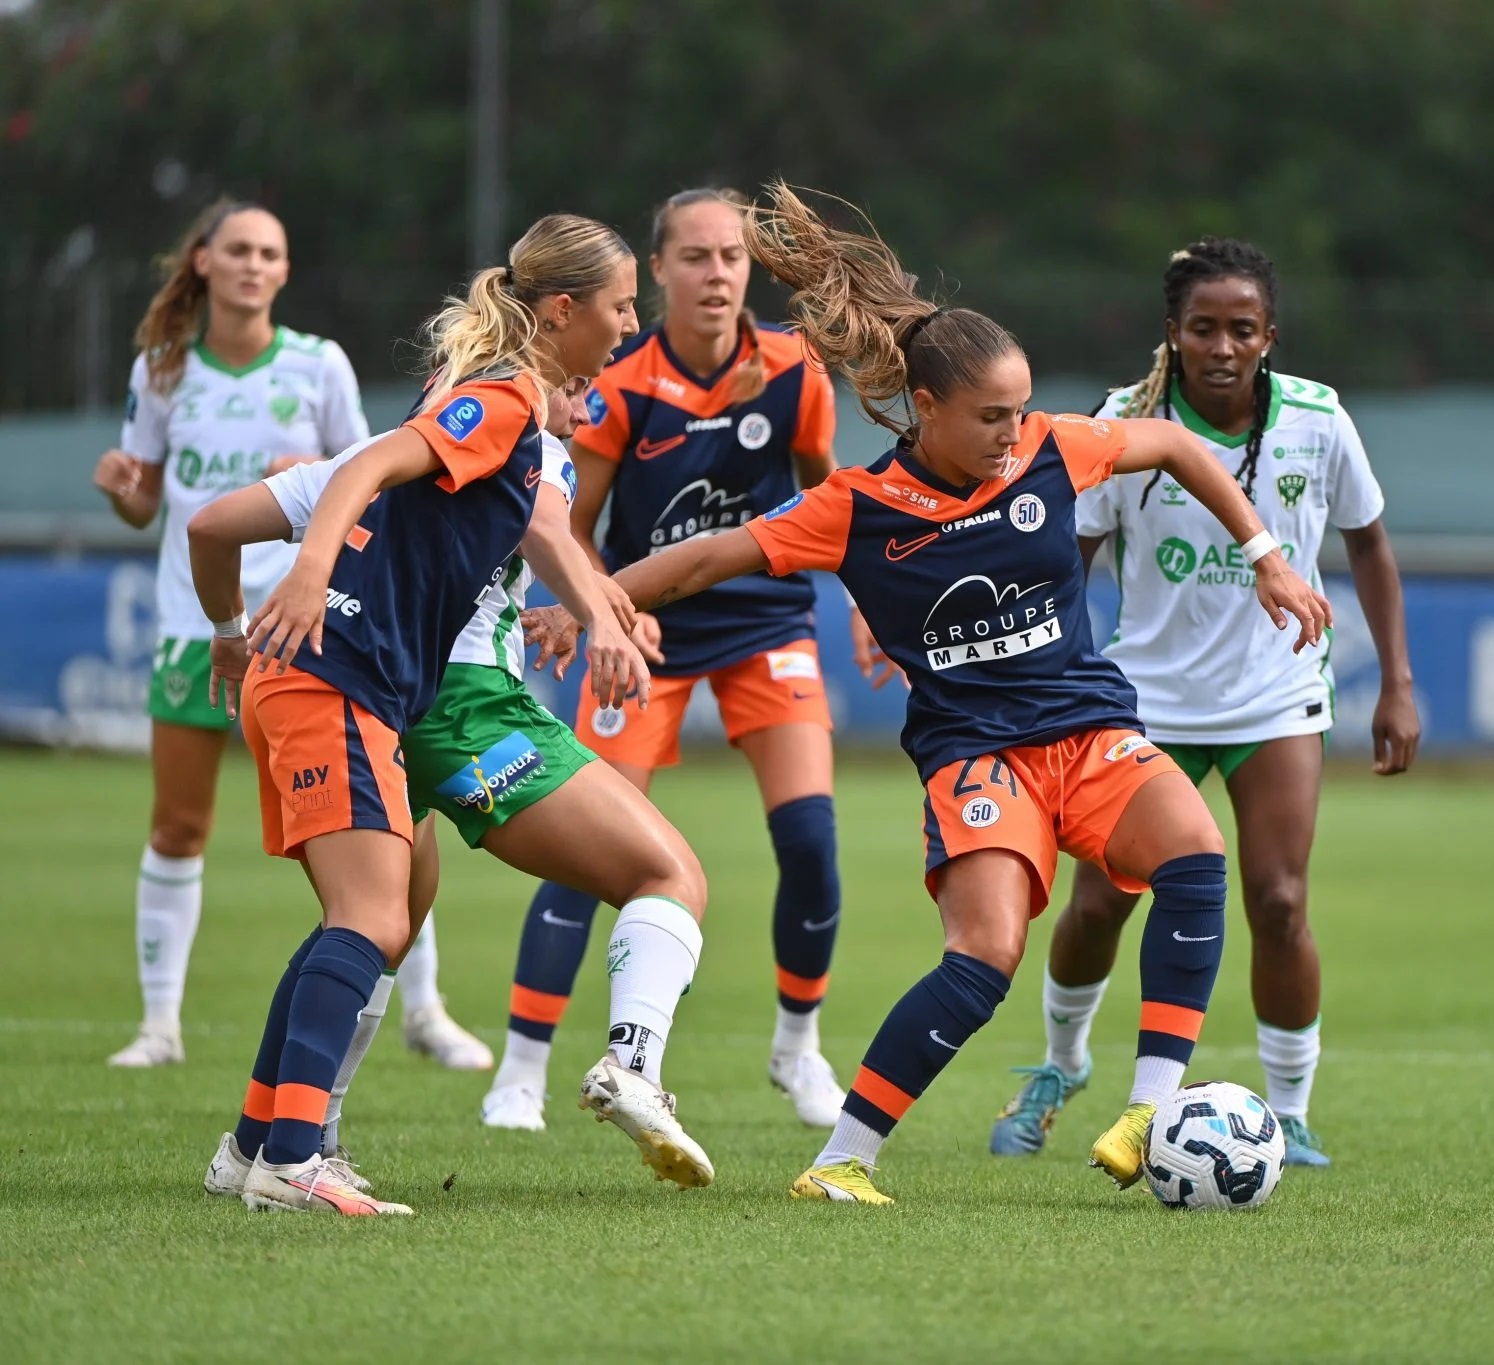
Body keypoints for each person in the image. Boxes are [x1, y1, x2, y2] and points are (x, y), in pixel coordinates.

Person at [585, 182, 1331, 1206]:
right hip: (976, 755)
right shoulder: (855, 507)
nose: (1011, 432)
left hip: (1086, 731)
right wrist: (591, 602)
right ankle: (842, 1161)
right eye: (990, 416)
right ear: (925, 408)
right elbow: (705, 558)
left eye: (1020, 411)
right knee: (983, 957)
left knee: (1196, 860)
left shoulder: (1049, 449)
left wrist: (1265, 555)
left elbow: (1172, 445)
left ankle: (1148, 1109)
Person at [188, 213, 713, 1215]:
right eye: (617, 308)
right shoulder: (506, 399)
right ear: (559, 313)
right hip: (345, 680)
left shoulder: (489, 416)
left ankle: (264, 1143)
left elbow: (225, 520)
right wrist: (303, 577)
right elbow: (371, 471)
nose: (627, 328)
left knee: (377, 918)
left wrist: (230, 628)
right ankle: (295, 1159)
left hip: (361, 689)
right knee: (379, 914)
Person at [988, 236, 1419, 1170]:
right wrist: (1055, 676)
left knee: (1279, 899)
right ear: (1172, 335)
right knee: (1101, 901)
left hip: (1277, 697)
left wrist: (1398, 682)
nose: (1223, 346)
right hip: (1144, 700)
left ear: (1271, 335)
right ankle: (1059, 1069)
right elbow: (1072, 556)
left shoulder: (1318, 418)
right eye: (1204, 328)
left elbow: (1370, 545)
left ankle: (1292, 1107)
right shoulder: (1124, 423)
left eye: (1243, 329)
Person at [90, 199, 487, 1071]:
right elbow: (148, 504)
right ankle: (159, 1026)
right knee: (179, 823)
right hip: (198, 623)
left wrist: (305, 476)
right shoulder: (162, 369)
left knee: (392, 824)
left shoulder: (318, 364)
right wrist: (124, 490)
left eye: (269, 252)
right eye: (237, 249)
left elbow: (383, 480)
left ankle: (426, 1008)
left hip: (319, 626)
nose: (253, 264)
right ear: (202, 261)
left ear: (284, 270)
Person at [485, 187, 847, 1133]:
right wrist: (595, 609)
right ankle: (520, 1068)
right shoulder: (620, 383)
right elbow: (574, 526)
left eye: (732, 256)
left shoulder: (795, 368)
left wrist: (878, 610)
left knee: (811, 840)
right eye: (696, 256)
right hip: (647, 634)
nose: (718, 273)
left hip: (770, 626)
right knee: (585, 845)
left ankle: (799, 1049)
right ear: (658, 271)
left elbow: (829, 503)